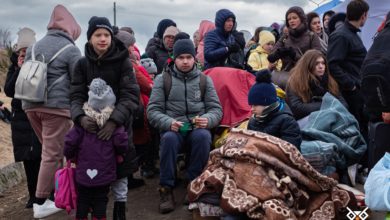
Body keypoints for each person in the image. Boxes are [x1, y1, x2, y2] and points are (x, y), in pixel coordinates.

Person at [70, 16, 140, 220]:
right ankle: (92, 210)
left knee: (120, 174)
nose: (103, 39)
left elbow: (129, 96)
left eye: (106, 35)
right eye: (98, 35)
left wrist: (113, 122)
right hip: (89, 132)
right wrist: (80, 118)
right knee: (90, 174)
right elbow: (75, 96)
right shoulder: (81, 64)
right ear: (90, 38)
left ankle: (120, 211)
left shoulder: (124, 62)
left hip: (119, 128)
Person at [147, 39, 222, 214]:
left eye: (189, 57)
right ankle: (166, 188)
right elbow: (153, 110)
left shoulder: (204, 80)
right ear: (174, 58)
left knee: (204, 136)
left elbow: (216, 109)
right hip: (174, 129)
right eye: (181, 57)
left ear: (194, 58)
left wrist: (207, 120)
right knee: (168, 139)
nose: (185, 61)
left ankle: (193, 183)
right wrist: (169, 123)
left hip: (196, 129)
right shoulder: (162, 79)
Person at [20, 5, 81, 218]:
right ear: (71, 29)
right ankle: (40, 201)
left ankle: (57, 193)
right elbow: (77, 81)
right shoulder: (71, 49)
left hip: (30, 105)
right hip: (56, 108)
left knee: (50, 150)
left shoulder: (33, 47)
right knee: (53, 153)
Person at [65, 78, 128, 220]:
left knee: (83, 199)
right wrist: (120, 153)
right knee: (101, 198)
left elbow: (70, 141)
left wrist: (70, 156)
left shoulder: (83, 123)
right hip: (105, 172)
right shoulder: (113, 124)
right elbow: (122, 142)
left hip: (83, 172)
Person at [3, 27, 42, 209]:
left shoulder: (41, 63)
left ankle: (44, 193)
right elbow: (10, 91)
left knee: (41, 156)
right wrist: (19, 69)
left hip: (37, 114)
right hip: (20, 118)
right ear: (18, 51)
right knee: (28, 158)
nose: (25, 54)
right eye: (22, 51)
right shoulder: (13, 67)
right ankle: (32, 195)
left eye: (28, 50)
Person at [327, 0, 369, 139]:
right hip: (352, 92)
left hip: (359, 88)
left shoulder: (351, 34)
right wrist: (350, 85)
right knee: (359, 129)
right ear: (363, 15)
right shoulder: (341, 35)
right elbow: (333, 64)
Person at [286, 49, 347, 121]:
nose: (321, 66)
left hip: (328, 118)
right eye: (316, 63)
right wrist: (328, 104)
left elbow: (343, 103)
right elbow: (297, 107)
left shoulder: (329, 80)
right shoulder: (295, 82)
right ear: (308, 65)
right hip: (305, 121)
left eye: (323, 63)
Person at [247, 70, 302, 148]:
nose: (252, 109)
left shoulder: (287, 121)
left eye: (255, 105)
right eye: (251, 105)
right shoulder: (253, 121)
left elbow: (291, 150)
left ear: (267, 103)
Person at [268, 6, 321, 71]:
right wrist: (278, 53)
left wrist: (294, 55)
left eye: (294, 18)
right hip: (287, 77)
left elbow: (316, 60)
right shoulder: (285, 37)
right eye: (289, 19)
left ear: (302, 19)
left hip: (305, 76)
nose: (291, 21)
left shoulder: (312, 36)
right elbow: (270, 57)